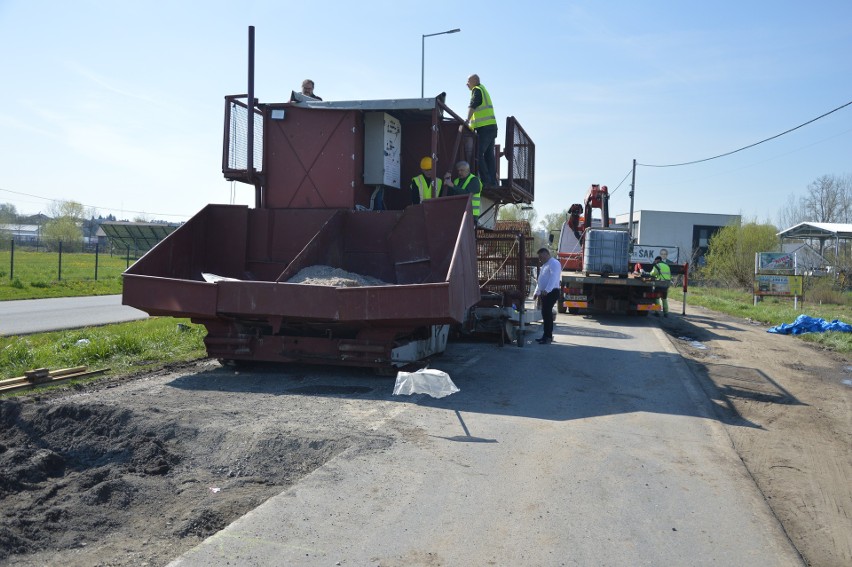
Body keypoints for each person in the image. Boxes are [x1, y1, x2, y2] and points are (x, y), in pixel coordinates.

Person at [461, 74, 498, 187]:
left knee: (478, 153)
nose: (466, 83)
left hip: (485, 128)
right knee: (488, 155)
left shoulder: (477, 90)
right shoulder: (483, 89)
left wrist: (466, 120)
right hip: (490, 127)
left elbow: (473, 105)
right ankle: (492, 181)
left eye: (468, 81)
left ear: (475, 81)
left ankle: (486, 181)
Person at [533, 247, 562, 344]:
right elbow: (541, 280)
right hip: (545, 292)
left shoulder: (554, 263)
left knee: (547, 314)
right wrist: (537, 292)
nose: (540, 259)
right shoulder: (545, 265)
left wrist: (547, 290)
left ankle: (548, 336)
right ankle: (546, 335)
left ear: (546, 254)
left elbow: (554, 277)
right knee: (545, 314)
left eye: (541, 257)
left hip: (552, 292)